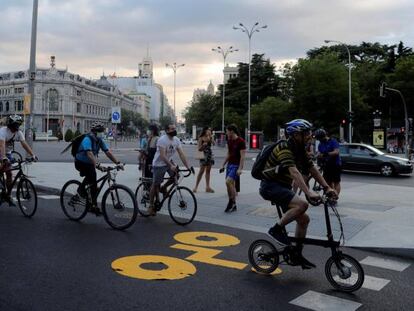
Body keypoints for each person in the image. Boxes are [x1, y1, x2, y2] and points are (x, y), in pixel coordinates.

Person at [259, 119, 337, 268]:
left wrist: (327, 188)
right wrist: (308, 192)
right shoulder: (284, 147)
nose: (310, 135)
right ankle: (276, 229)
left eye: (309, 132)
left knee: (304, 220)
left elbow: (312, 168)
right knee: (302, 204)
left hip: (283, 188)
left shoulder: (300, 149)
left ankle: (296, 254)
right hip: (270, 187)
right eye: (306, 133)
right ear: (296, 135)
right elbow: (294, 172)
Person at [74, 121, 123, 214]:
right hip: (80, 162)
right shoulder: (87, 139)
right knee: (91, 176)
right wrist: (97, 165)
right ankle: (81, 191)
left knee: (93, 183)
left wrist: (118, 163)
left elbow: (107, 152)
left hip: (89, 163)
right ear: (95, 132)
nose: (102, 133)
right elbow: (89, 153)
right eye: (100, 131)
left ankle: (93, 205)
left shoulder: (99, 140)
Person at [148, 124, 193, 216]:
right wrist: (170, 165)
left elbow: (181, 154)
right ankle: (150, 205)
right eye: (172, 129)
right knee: (155, 184)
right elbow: (162, 155)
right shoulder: (162, 140)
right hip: (159, 164)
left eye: (175, 128)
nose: (174, 130)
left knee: (176, 175)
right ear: (167, 130)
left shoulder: (176, 140)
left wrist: (188, 166)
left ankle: (164, 188)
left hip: (169, 162)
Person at [0, 115, 37, 205]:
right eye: (15, 125)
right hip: (1, 151)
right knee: (2, 168)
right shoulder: (3, 131)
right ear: (10, 125)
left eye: (18, 125)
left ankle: (7, 195)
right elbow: (2, 145)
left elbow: (24, 144)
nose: (16, 128)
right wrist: (4, 158)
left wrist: (32, 155)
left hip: (7, 153)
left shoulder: (18, 132)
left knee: (9, 173)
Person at [220, 124, 246, 213]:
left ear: (231, 131)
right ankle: (233, 204)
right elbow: (229, 154)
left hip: (236, 165)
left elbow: (242, 157)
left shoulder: (241, 141)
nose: (226, 133)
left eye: (227, 131)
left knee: (228, 181)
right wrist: (223, 165)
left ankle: (231, 201)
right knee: (229, 184)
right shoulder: (229, 141)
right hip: (229, 165)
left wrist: (240, 168)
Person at [314, 129, 342, 196]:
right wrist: (317, 156)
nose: (320, 140)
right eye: (318, 139)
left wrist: (325, 154)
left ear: (324, 136)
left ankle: (335, 197)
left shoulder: (333, 141)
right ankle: (332, 195)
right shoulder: (321, 144)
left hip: (335, 164)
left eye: (320, 138)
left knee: (336, 182)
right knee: (328, 182)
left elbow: (336, 152)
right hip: (326, 165)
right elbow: (319, 152)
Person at [193, 127, 215, 193]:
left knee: (208, 171)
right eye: (208, 130)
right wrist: (203, 145)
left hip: (209, 155)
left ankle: (207, 187)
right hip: (203, 155)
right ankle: (196, 187)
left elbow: (213, 143)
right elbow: (199, 149)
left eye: (210, 131)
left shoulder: (210, 137)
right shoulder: (201, 138)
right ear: (205, 131)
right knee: (201, 171)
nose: (209, 131)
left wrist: (211, 138)